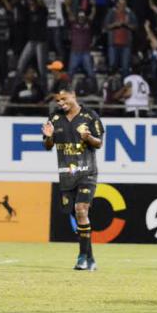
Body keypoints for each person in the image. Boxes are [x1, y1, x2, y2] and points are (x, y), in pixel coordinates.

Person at [42, 83, 104, 270]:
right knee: (77, 216)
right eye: (57, 100)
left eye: (64, 99)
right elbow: (48, 146)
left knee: (81, 209)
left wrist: (88, 138)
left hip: (87, 172)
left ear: (73, 95)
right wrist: (49, 137)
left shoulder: (90, 116)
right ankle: (90, 258)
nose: (61, 103)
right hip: (66, 175)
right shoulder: (54, 118)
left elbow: (99, 143)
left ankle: (81, 257)